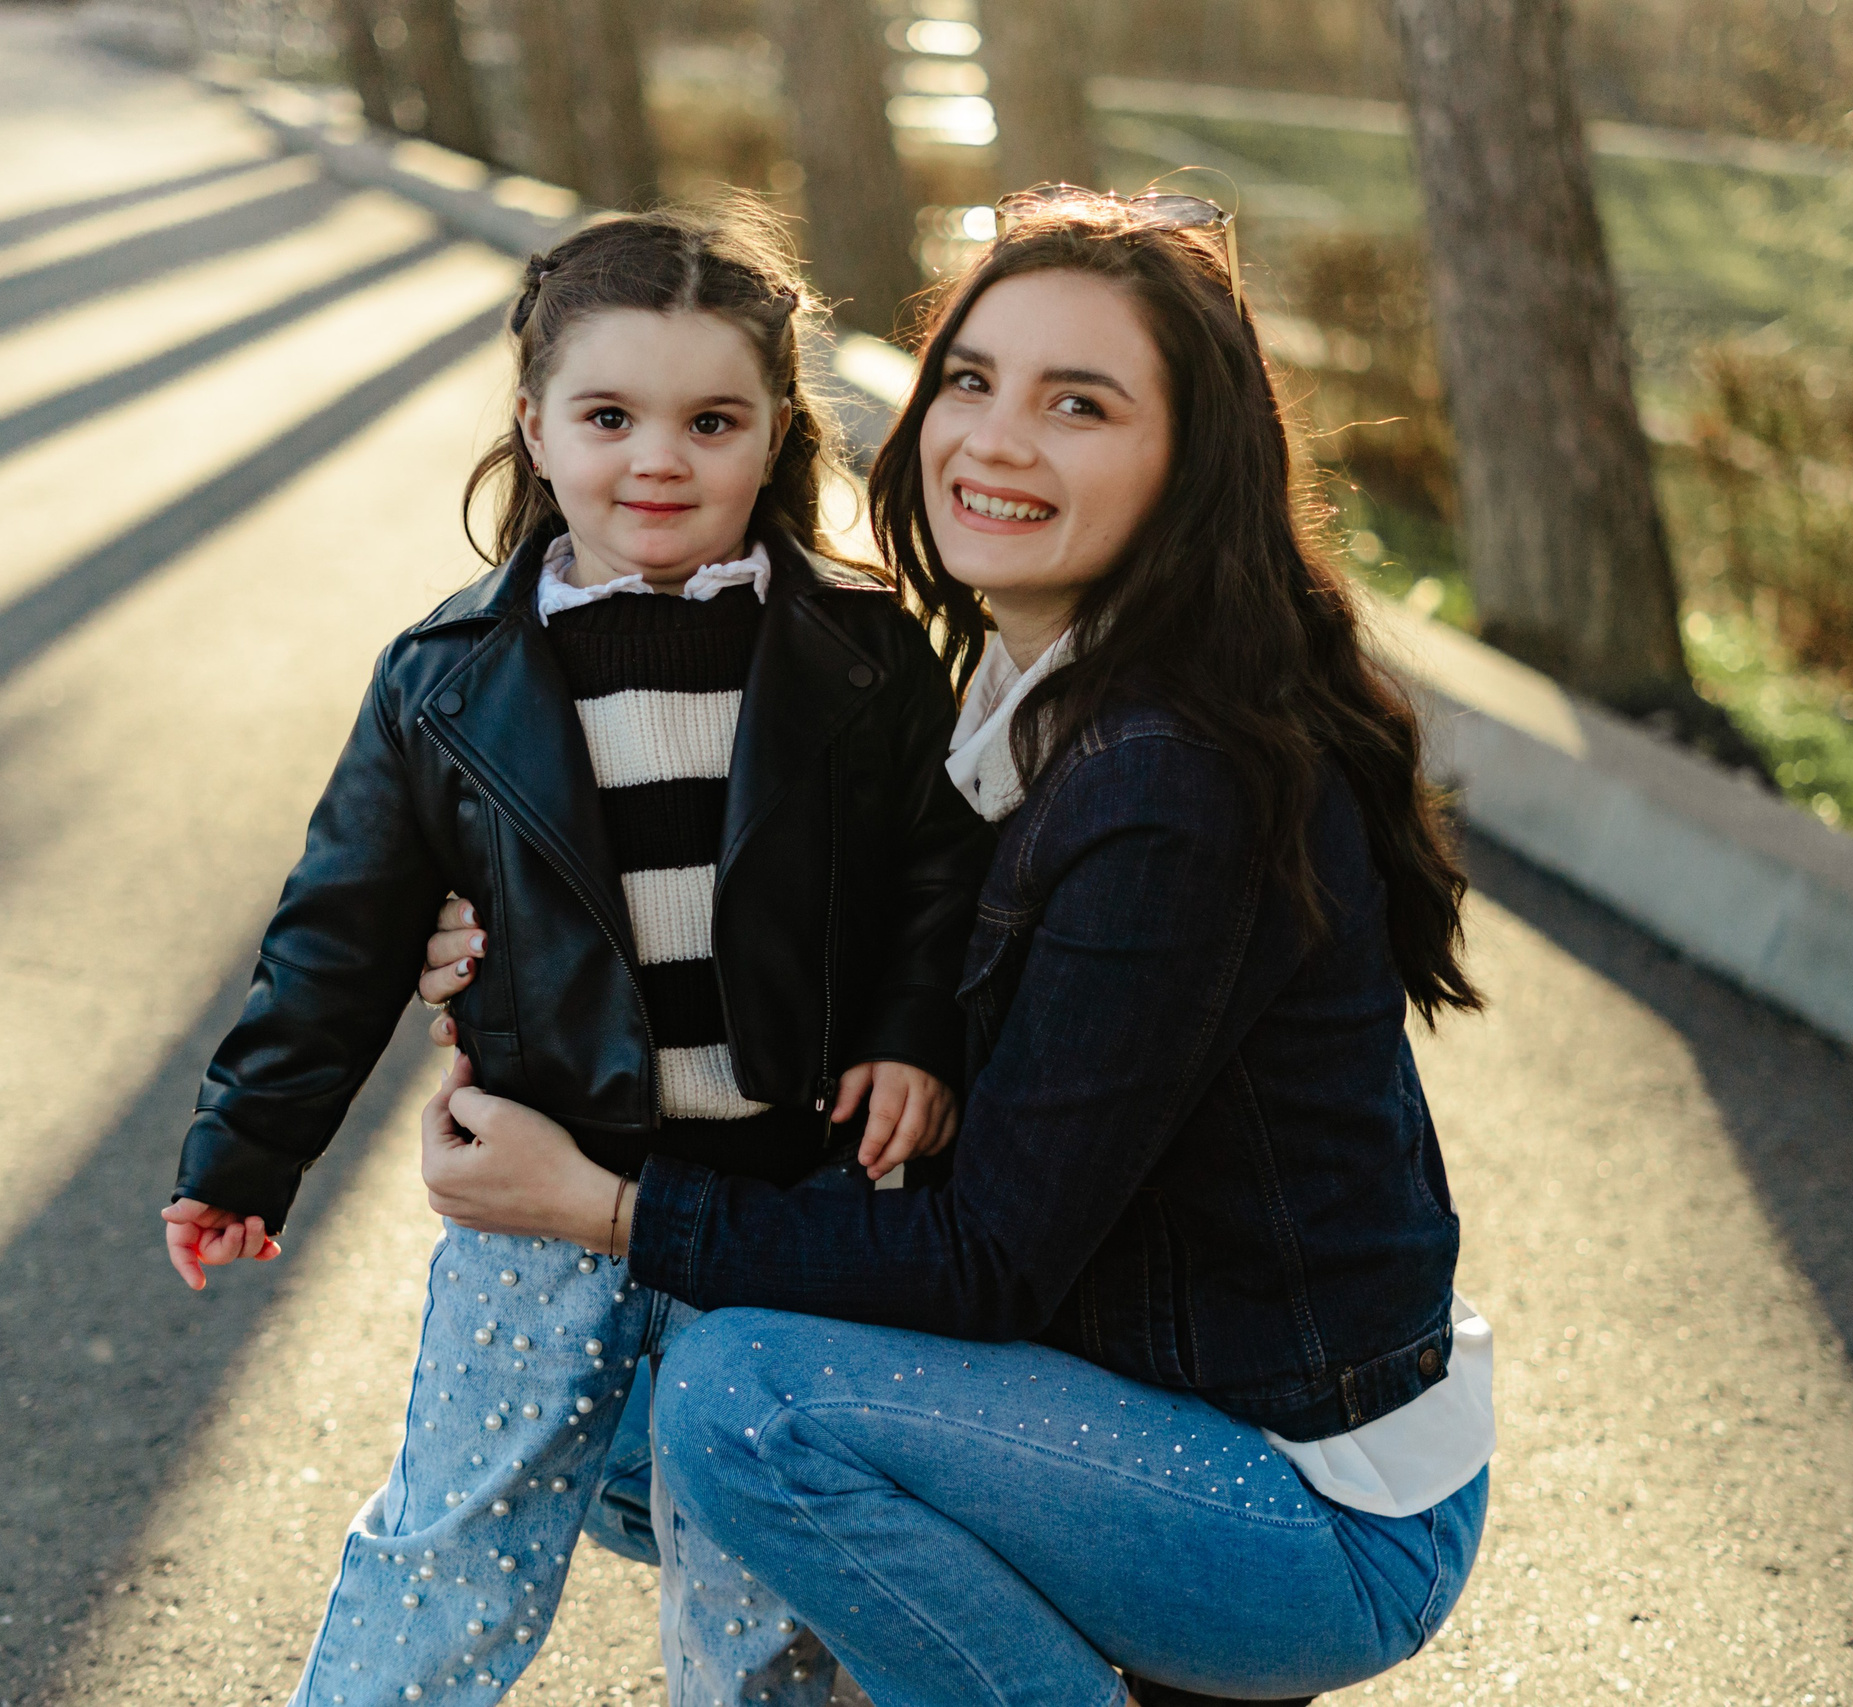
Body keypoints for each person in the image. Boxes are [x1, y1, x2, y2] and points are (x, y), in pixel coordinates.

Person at [412, 187, 1496, 1707]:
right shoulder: (1013, 693)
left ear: (1193, 460)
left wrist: (599, 1206)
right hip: (1137, 1405)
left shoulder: (1169, 784)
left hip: (1298, 1508)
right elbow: (832, 977)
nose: (994, 440)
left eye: (1079, 404)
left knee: (740, 1404)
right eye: (972, 381)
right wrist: (532, 957)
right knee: (610, 1398)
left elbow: (986, 1258)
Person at [157, 201, 990, 1707]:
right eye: (609, 416)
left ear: (776, 435)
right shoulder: (448, 680)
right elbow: (339, 930)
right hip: (538, 1192)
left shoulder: (860, 656)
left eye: (710, 421)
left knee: (755, 1585)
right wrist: (247, 1150)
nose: (658, 459)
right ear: (536, 429)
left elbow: (938, 871)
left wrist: (911, 1032)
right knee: (456, 1534)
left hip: (784, 1198)